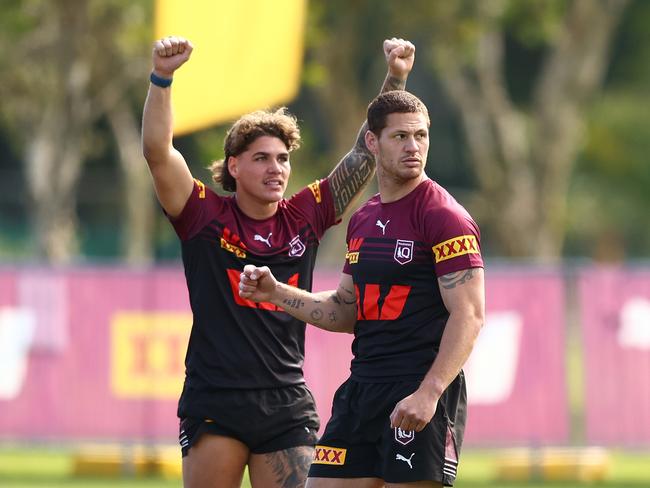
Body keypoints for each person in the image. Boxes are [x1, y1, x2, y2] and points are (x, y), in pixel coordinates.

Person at [141, 34, 416, 488]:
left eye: (284, 159)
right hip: (215, 401)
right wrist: (162, 77)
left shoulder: (303, 214)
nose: (277, 169)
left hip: (285, 402)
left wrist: (396, 76)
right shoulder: (202, 214)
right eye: (262, 158)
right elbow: (157, 153)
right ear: (233, 166)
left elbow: (365, 155)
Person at [239, 89, 485, 487]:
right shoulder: (364, 220)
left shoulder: (445, 217)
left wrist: (429, 393)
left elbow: (470, 315)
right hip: (362, 390)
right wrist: (275, 292)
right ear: (372, 141)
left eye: (420, 136)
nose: (413, 146)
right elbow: (345, 310)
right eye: (400, 137)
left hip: (417, 391)